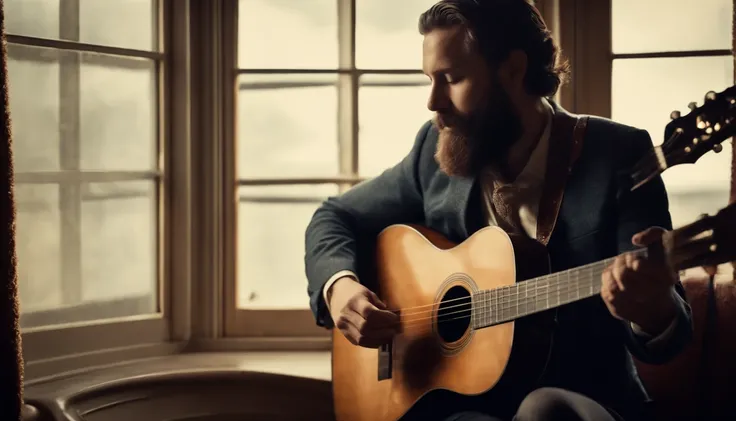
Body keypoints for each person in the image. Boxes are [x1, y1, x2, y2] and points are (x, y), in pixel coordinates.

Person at [304, 1, 693, 420]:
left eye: (451, 78)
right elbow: (334, 217)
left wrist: (650, 309)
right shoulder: (433, 154)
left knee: (542, 408)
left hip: (582, 402)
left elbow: (670, 333)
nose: (434, 101)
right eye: (429, 79)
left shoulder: (619, 155)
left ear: (512, 69)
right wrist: (340, 288)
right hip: (460, 406)